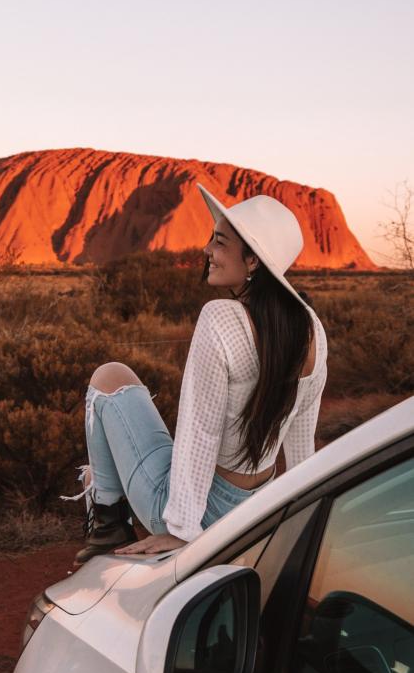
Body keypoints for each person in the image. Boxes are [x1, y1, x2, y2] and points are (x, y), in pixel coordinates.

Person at [74, 182, 328, 564]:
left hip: (202, 510)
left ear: (254, 261)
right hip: (258, 507)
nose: (207, 250)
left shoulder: (220, 319)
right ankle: (107, 508)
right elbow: (300, 446)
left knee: (108, 377)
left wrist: (181, 532)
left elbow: (200, 431)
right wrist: (299, 526)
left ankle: (108, 524)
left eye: (220, 242)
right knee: (112, 460)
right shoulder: (312, 330)